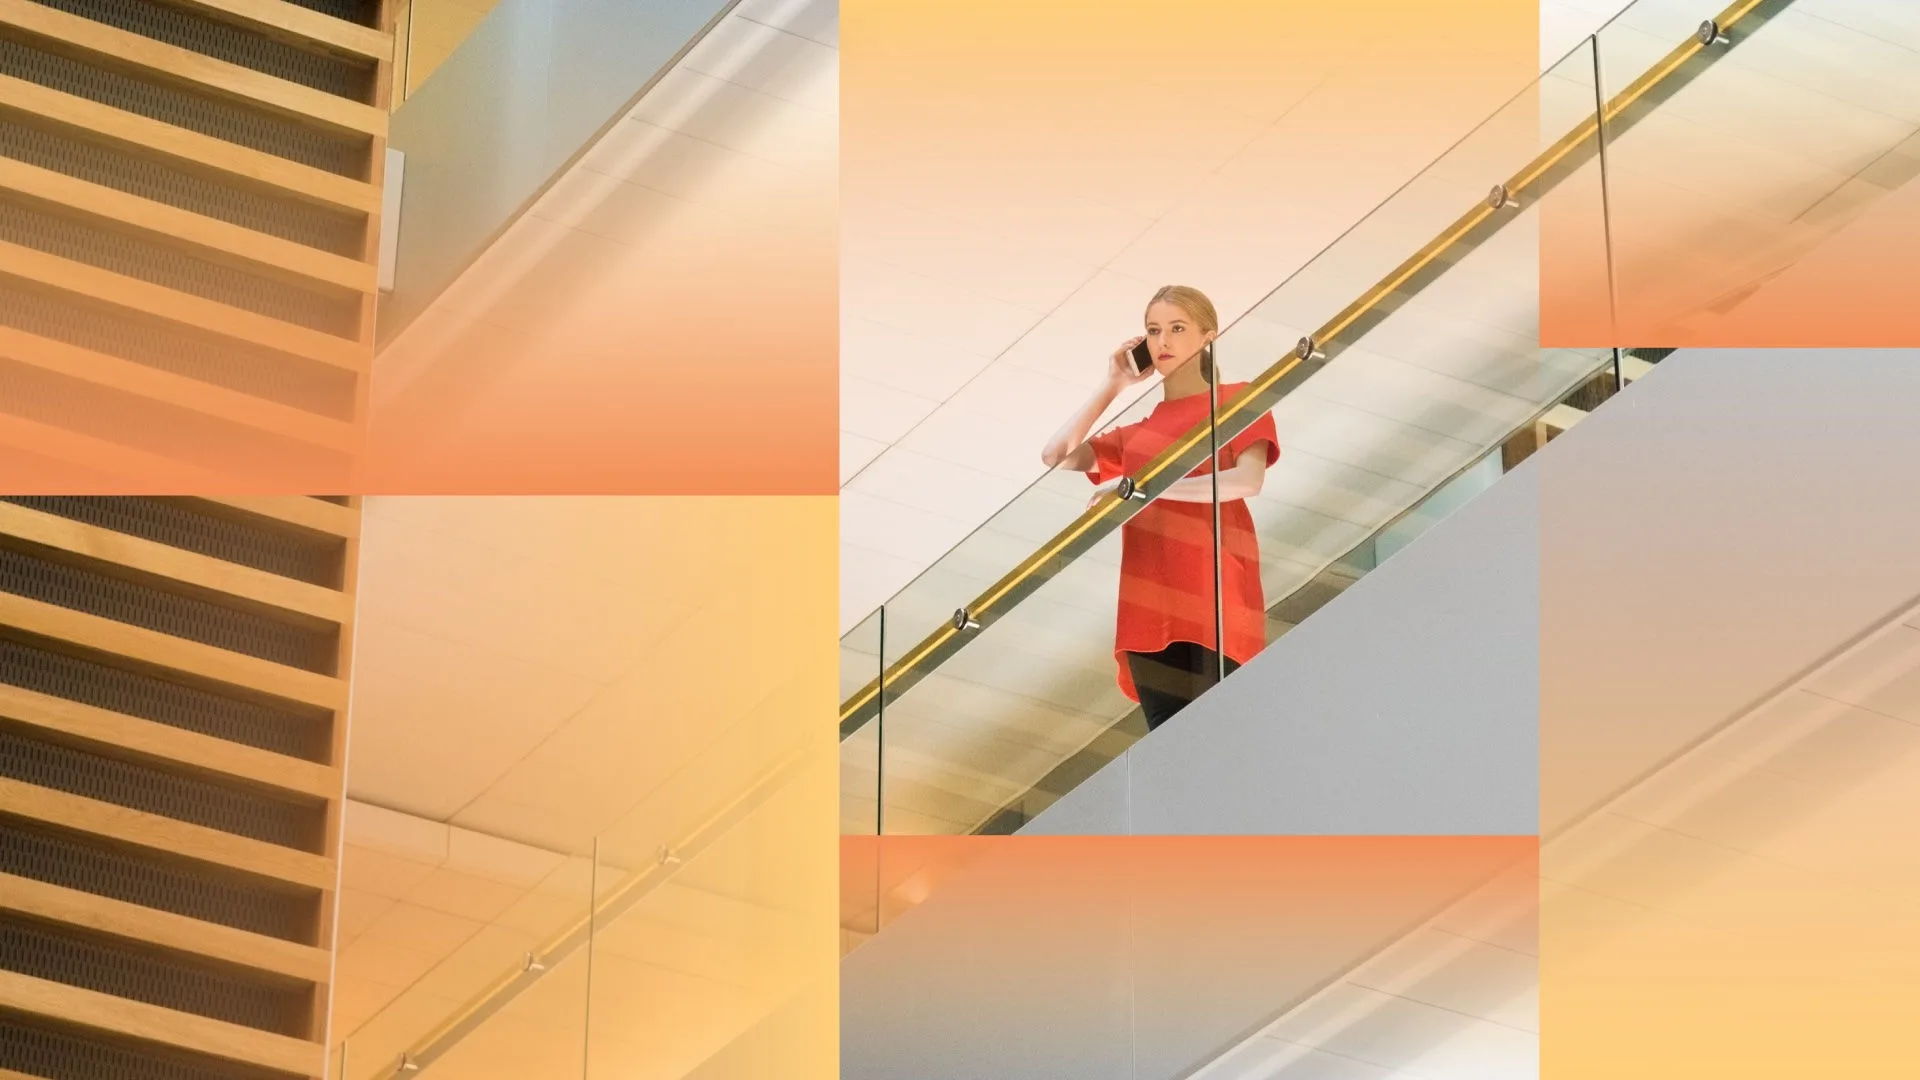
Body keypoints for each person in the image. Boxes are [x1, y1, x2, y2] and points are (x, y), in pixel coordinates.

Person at [1040, 285, 1279, 731]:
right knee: (1169, 746)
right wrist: (1113, 383)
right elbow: (1057, 455)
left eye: (1177, 328)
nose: (1163, 341)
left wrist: (1139, 490)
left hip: (1215, 596)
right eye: (1153, 331)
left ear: (1208, 338)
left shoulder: (1237, 398)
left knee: (1218, 735)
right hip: (1147, 611)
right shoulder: (1140, 434)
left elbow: (1248, 481)